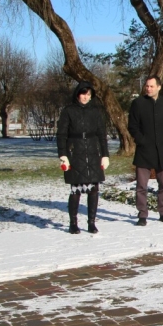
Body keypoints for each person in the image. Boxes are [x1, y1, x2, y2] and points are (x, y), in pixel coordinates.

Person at [57, 82, 110, 234]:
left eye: (88, 94)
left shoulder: (96, 111)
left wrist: (105, 154)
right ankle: (73, 222)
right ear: (77, 94)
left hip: (93, 152)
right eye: (83, 94)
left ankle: (91, 222)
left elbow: (102, 134)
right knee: (76, 189)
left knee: (93, 189)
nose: (85, 97)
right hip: (75, 152)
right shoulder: (68, 111)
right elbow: (61, 135)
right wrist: (63, 155)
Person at [128, 75, 163, 226]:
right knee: (141, 186)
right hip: (144, 151)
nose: (148, 88)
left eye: (151, 86)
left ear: (159, 87)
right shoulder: (138, 103)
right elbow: (132, 126)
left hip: (162, 150)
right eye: (147, 86)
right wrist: (141, 140)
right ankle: (142, 214)